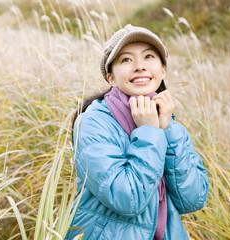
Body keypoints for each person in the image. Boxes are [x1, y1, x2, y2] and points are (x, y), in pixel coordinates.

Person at [65, 24, 209, 240]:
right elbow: (127, 199)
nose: (140, 66)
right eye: (126, 59)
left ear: (163, 70)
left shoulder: (166, 119)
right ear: (110, 77)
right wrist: (150, 132)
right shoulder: (93, 122)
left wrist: (166, 129)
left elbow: (192, 199)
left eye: (149, 56)